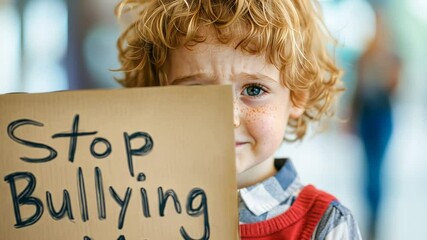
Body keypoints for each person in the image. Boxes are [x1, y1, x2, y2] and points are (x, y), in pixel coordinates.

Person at [115, 0, 361, 239]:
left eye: (253, 90)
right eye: (198, 92)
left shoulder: (327, 225)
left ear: (296, 97)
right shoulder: (132, 214)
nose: (227, 118)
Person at [350, 9, 401, 240]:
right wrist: (349, 119)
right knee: (366, 167)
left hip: (382, 117)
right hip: (366, 117)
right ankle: (369, 215)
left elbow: (395, 90)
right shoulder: (363, 57)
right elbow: (357, 92)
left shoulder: (394, 57)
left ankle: (376, 218)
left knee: (378, 169)